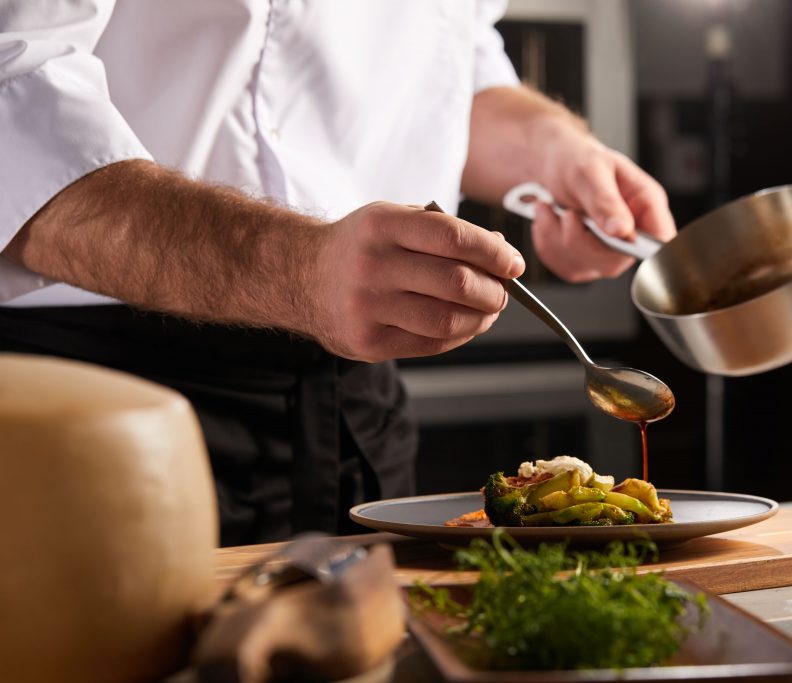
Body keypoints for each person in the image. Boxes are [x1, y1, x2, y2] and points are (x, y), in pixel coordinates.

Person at [0, 1, 676, 545]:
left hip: (358, 407)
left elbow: (452, 63)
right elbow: (15, 93)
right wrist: (294, 267)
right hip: (100, 405)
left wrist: (555, 153)